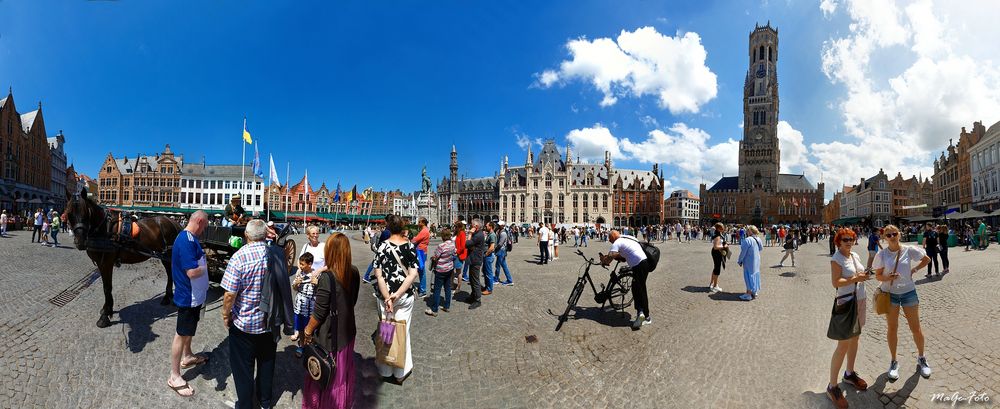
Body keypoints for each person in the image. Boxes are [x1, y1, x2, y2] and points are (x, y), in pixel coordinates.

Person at [221, 219, 279, 409]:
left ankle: (245, 405)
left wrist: (225, 315)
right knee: (267, 363)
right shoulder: (275, 254)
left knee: (243, 369)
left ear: (246, 235)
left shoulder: (239, 257)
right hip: (268, 322)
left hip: (244, 325)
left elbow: (230, 294)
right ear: (265, 235)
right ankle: (265, 402)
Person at [302, 233, 360, 409]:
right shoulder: (354, 271)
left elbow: (319, 313)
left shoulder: (327, 278)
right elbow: (353, 300)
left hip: (330, 338)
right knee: (342, 376)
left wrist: (307, 331)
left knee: (327, 378)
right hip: (347, 333)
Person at [873, 224, 932, 382]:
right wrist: (888, 278)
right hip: (890, 294)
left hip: (908, 293)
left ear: (899, 234)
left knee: (916, 328)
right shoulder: (882, 254)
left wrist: (915, 270)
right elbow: (878, 275)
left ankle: (921, 358)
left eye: (894, 234)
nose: (892, 237)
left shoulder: (909, 249)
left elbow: (927, 259)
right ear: (885, 238)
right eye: (889, 235)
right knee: (892, 328)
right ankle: (893, 361)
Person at [825, 228, 872, 408]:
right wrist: (856, 278)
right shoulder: (836, 259)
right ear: (838, 241)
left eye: (851, 239)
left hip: (860, 300)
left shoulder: (855, 256)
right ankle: (832, 386)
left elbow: (859, 275)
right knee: (843, 344)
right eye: (845, 239)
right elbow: (836, 283)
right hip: (846, 303)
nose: (848, 242)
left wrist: (865, 275)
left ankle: (849, 373)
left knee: (855, 338)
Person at [166, 211, 210, 398]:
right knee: (181, 333)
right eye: (205, 226)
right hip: (188, 296)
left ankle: (188, 355)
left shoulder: (191, 239)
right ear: (199, 221)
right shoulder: (185, 240)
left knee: (189, 330)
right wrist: (206, 267)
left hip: (195, 295)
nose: (204, 229)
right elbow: (192, 272)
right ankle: (174, 376)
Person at [372, 214, 419, 382]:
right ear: (403, 229)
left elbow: (379, 275)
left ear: (389, 228)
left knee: (386, 332)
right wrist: (397, 295)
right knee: (402, 331)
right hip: (404, 296)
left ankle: (385, 370)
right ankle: (400, 373)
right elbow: (413, 274)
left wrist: (387, 298)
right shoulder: (410, 247)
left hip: (384, 296)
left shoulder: (382, 246)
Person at [601, 229, 652, 330]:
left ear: (613, 237)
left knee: (640, 290)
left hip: (639, 265)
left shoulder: (617, 242)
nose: (610, 241)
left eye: (610, 239)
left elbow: (610, 257)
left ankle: (645, 316)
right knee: (637, 288)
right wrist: (618, 257)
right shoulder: (628, 237)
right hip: (644, 262)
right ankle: (642, 313)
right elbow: (625, 255)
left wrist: (604, 261)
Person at [291, 252, 318, 357]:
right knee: (301, 328)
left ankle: (310, 346)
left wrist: (316, 284)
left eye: (302, 264)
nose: (300, 266)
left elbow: (319, 291)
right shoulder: (299, 273)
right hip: (299, 306)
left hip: (310, 307)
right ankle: (302, 345)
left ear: (310, 264)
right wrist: (296, 284)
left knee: (310, 329)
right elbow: (294, 288)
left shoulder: (316, 274)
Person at [426, 228, 456, 316]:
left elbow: (436, 256)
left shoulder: (441, 246)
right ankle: (447, 306)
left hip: (441, 269)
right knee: (447, 287)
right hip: (449, 268)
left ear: (443, 236)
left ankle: (434, 309)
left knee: (437, 289)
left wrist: (433, 258)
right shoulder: (452, 244)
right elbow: (454, 254)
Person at [463, 219, 486, 309]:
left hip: (476, 260)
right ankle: (473, 295)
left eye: (472, 225)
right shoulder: (477, 234)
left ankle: (477, 300)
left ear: (476, 227)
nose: (470, 227)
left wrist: (470, 234)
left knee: (475, 280)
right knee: (472, 279)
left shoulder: (478, 235)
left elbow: (467, 244)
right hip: (473, 259)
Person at [737, 225, 763, 301]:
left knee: (748, 276)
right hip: (757, 260)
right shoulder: (758, 239)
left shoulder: (747, 240)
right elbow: (761, 248)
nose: (746, 231)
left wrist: (740, 260)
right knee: (755, 274)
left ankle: (748, 294)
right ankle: (754, 291)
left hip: (749, 261)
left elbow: (743, 252)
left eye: (747, 230)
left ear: (750, 231)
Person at [411, 217, 431, 298]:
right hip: (422, 251)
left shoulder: (424, 231)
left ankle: (423, 290)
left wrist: (410, 238)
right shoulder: (425, 230)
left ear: (423, 223)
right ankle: (422, 288)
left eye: (419, 222)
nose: (418, 223)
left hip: (420, 252)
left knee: (421, 271)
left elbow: (415, 240)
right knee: (420, 270)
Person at [709, 223, 728, 293]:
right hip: (717, 253)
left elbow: (721, 243)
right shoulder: (717, 236)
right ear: (718, 229)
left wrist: (724, 243)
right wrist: (724, 247)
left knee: (715, 267)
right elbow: (716, 247)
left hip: (718, 252)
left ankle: (711, 283)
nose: (723, 228)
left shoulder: (719, 234)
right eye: (722, 228)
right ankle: (715, 285)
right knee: (717, 269)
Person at [481, 222, 497, 296]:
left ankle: (489, 289)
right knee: (485, 271)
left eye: (486, 226)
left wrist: (486, 254)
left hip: (488, 256)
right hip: (487, 256)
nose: (485, 227)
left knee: (488, 273)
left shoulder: (492, 235)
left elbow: (492, 247)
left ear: (490, 227)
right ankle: (487, 286)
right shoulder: (490, 234)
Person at [452, 221, 467, 292]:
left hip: (458, 255)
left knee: (458, 271)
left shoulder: (462, 233)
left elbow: (462, 246)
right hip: (452, 254)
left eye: (455, 226)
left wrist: (457, 252)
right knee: (451, 270)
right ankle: (451, 284)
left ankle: (458, 286)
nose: (454, 227)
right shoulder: (456, 233)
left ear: (459, 227)